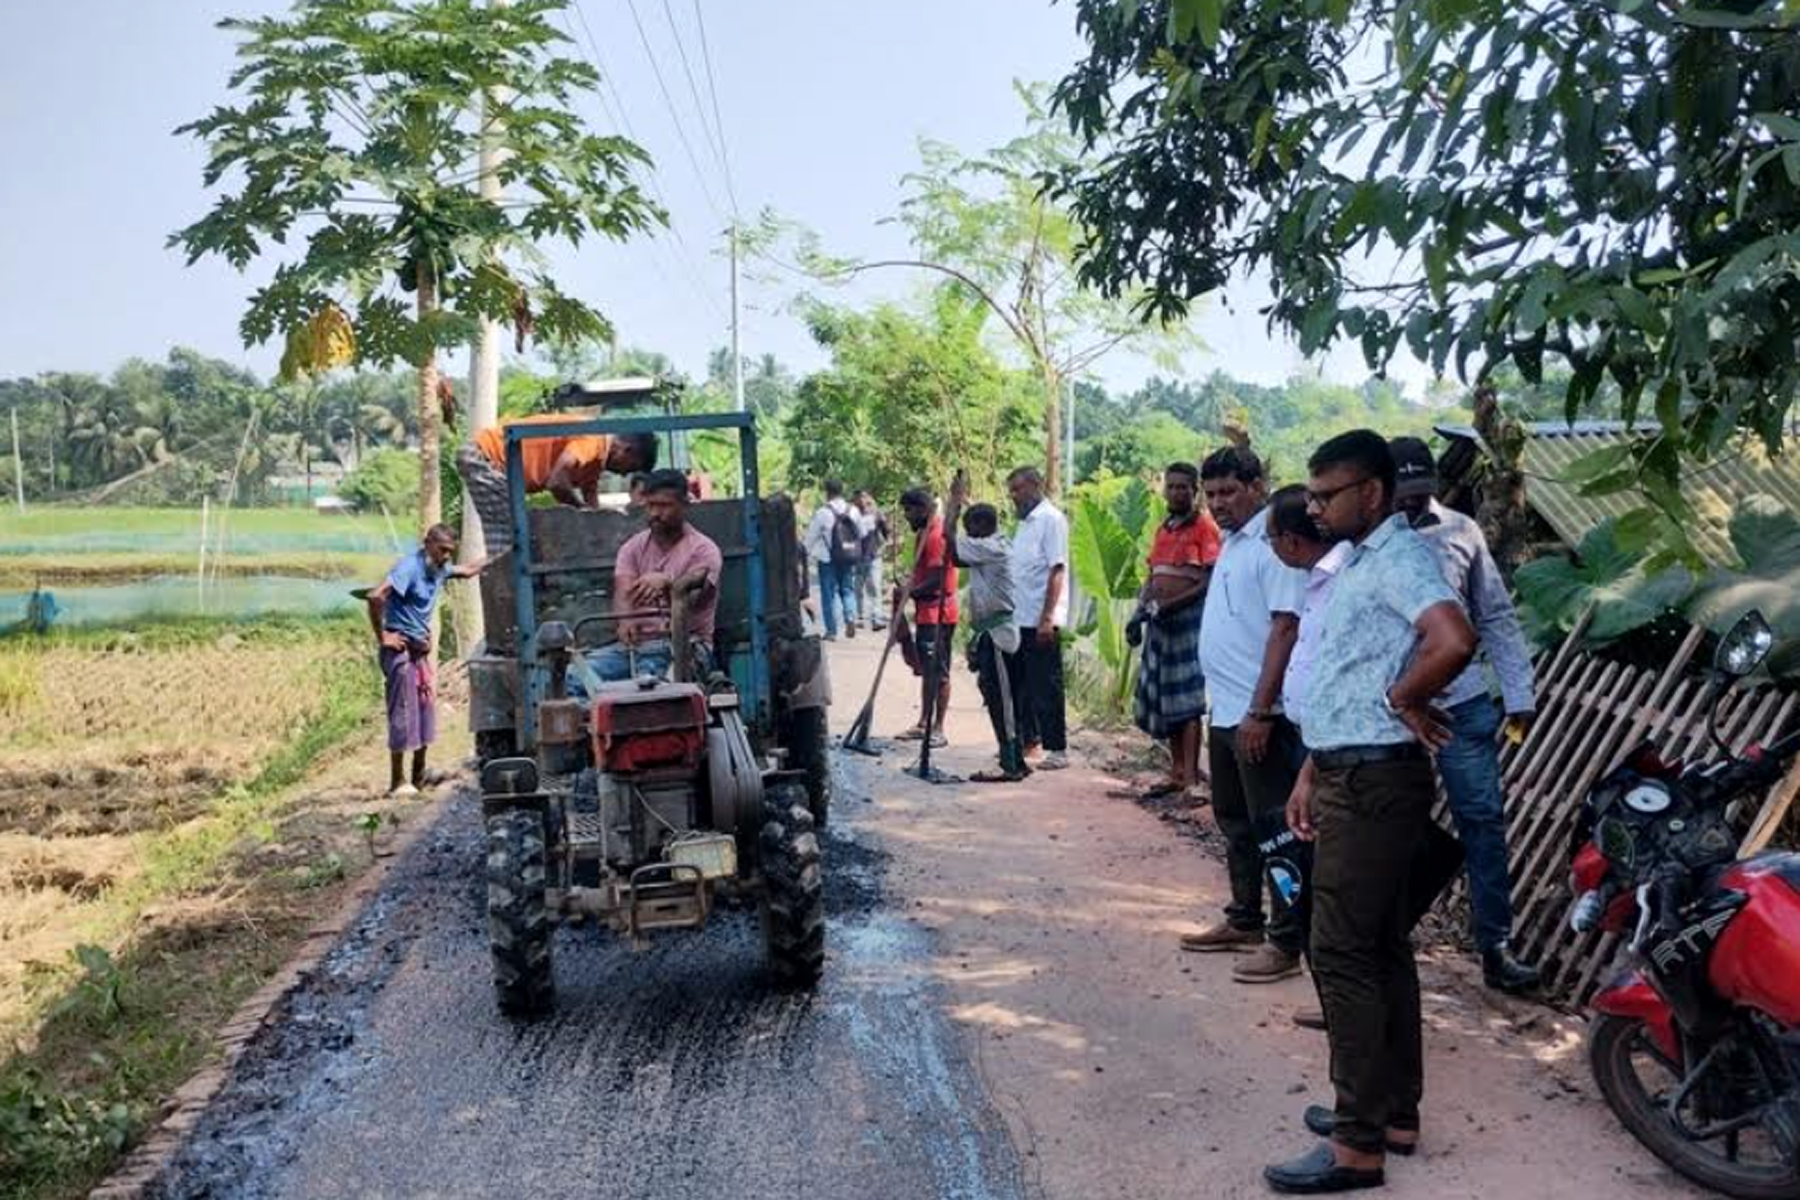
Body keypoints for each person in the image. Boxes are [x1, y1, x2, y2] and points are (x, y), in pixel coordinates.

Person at [1265, 430, 1476, 1195]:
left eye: (1328, 494)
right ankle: (1393, 1114)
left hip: (1375, 783)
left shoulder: (1400, 558)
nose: (1314, 507)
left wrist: (1407, 696)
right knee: (1381, 947)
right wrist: (1311, 769)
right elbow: (1352, 674)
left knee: (1343, 952)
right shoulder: (1361, 562)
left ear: (1374, 494)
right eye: (1312, 494)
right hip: (1349, 768)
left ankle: (1357, 1147)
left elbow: (1454, 638)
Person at [1390, 437, 1541, 993]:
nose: (1410, 504)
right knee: (1390, 822)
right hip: (1392, 711)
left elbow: (1496, 615)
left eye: (1419, 492)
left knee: (1482, 822)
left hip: (1459, 706)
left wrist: (1519, 692)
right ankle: (1386, 937)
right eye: (1401, 493)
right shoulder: (1371, 541)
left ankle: (1495, 947)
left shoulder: (1461, 531)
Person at [1182, 446, 1309, 986]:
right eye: (1211, 495)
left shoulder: (1273, 543)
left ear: (1257, 485)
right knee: (1235, 822)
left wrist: (1262, 709)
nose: (1218, 504)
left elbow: (1285, 628)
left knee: (1276, 830)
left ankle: (1286, 940)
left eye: (1229, 492)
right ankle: (1244, 918)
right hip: (1227, 709)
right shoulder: (1233, 542)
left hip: (1263, 716)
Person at [365, 524, 488, 795]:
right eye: (441, 550)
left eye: (449, 552)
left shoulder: (439, 569)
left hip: (420, 652)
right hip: (400, 650)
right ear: (427, 543)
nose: (445, 556)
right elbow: (375, 596)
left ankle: (418, 777)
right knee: (402, 712)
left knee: (424, 711)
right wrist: (383, 636)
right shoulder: (409, 568)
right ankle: (398, 781)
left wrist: (506, 551)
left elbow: (467, 571)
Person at [1131, 462, 1220, 797]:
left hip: (1187, 624)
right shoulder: (1163, 529)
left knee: (1188, 701)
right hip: (1159, 624)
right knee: (1167, 698)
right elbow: (1152, 576)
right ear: (1164, 489)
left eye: (1185, 487)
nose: (1178, 492)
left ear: (1194, 491)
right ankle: (1177, 772)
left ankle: (1193, 778)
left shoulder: (1204, 528)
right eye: (1172, 486)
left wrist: (1172, 604)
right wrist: (1139, 612)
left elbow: (1207, 580)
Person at [456, 414, 657, 554]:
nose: (623, 475)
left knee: (516, 536)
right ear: (627, 450)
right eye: (629, 468)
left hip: (496, 466)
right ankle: (513, 597)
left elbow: (592, 506)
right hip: (485, 456)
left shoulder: (595, 464)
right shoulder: (593, 439)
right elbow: (557, 482)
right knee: (512, 537)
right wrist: (582, 512)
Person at [593, 468, 723, 683]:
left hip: (687, 646)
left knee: (650, 678)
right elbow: (623, 592)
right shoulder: (632, 548)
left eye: (664, 506)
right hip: (635, 648)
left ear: (684, 505)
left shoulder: (704, 550)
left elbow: (693, 599)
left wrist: (668, 585)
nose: (655, 513)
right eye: (650, 505)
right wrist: (625, 623)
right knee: (575, 676)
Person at [945, 473, 1026, 782]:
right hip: (990, 632)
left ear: (981, 526)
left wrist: (952, 506)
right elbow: (957, 559)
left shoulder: (991, 547)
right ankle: (1012, 758)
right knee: (997, 698)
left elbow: (951, 549)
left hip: (999, 635)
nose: (970, 535)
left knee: (1002, 701)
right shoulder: (992, 545)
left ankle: (1011, 764)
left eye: (971, 529)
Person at [1006, 466, 1070, 770]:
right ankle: (1028, 742)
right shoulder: (1024, 524)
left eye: (1018, 490)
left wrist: (1048, 617)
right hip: (1020, 618)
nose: (1014, 497)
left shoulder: (1051, 520)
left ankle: (1057, 749)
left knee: (1047, 685)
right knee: (1022, 685)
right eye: (1012, 491)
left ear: (1035, 486)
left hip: (1040, 618)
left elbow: (1057, 569)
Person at [894, 486, 957, 748]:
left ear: (922, 509)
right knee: (928, 670)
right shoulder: (923, 532)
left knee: (939, 671)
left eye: (908, 511)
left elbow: (938, 579)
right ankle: (923, 723)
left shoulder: (936, 535)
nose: (906, 516)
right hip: (926, 612)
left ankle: (938, 728)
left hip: (938, 613)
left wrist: (911, 592)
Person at [804, 479, 862, 641]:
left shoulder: (823, 512)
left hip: (827, 558)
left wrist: (803, 554)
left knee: (828, 594)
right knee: (847, 590)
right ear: (842, 491)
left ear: (827, 492)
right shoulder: (854, 510)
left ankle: (831, 631)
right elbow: (862, 533)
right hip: (848, 556)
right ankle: (850, 617)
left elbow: (811, 537)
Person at [854, 489, 892, 631]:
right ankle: (859, 618)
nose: (864, 501)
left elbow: (886, 531)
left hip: (874, 556)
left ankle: (876, 619)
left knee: (874, 588)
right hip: (857, 557)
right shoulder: (853, 514)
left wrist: (882, 547)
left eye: (866, 498)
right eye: (861, 498)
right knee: (858, 589)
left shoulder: (877, 514)